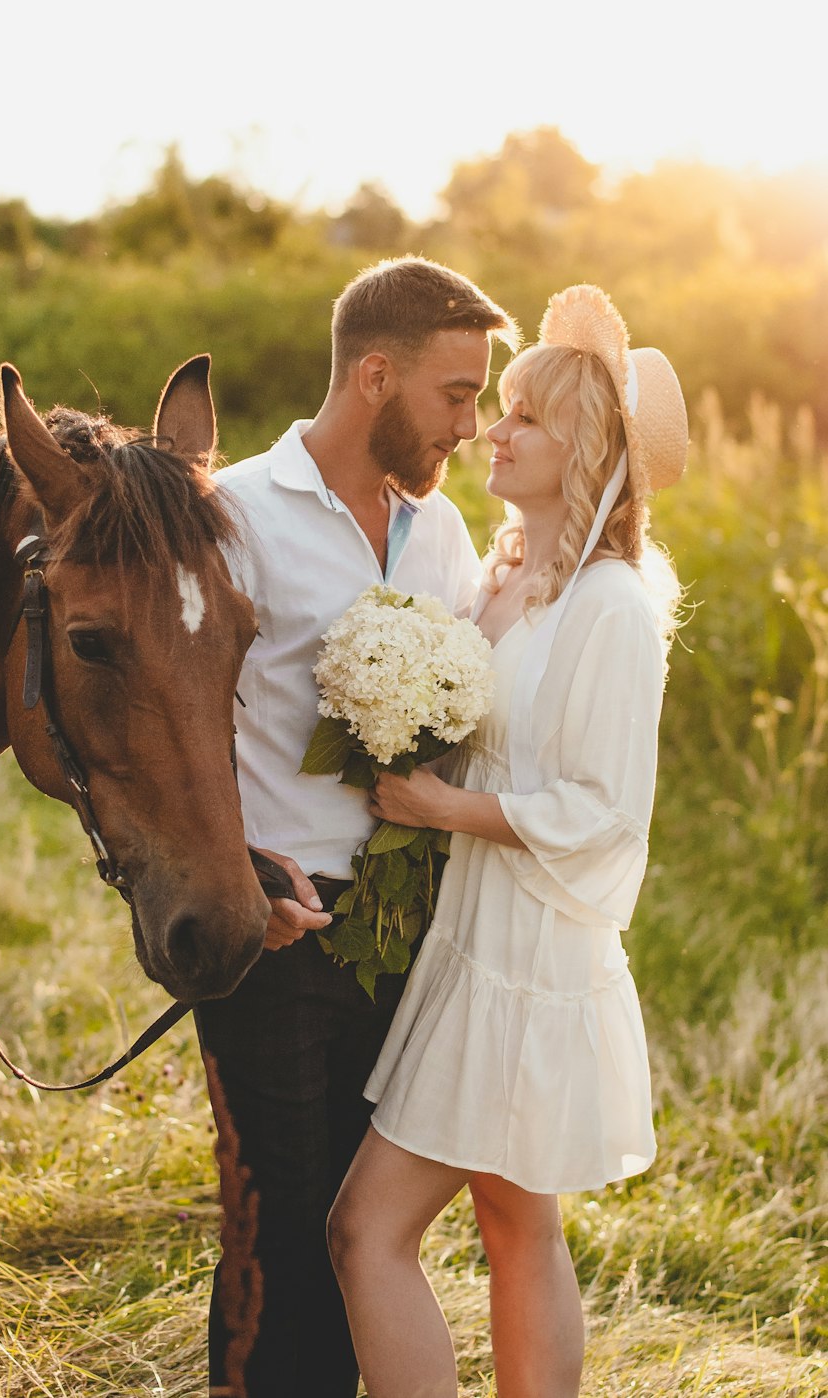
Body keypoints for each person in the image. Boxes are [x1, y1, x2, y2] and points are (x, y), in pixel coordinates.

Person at [326, 284, 689, 1398]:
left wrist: (442, 811)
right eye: (500, 408)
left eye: (524, 415)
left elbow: (602, 811)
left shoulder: (613, 608)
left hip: (528, 958)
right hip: (472, 936)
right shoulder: (508, 583)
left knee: (363, 1233)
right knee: (515, 1224)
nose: (493, 429)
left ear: (579, 445)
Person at [195, 257, 519, 1398]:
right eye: (455, 394)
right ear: (373, 376)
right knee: (276, 1230)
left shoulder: (440, 535)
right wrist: (238, 873)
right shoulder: (231, 512)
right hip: (275, 929)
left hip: (404, 938)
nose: (471, 427)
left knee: (363, 1234)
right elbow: (174, 728)